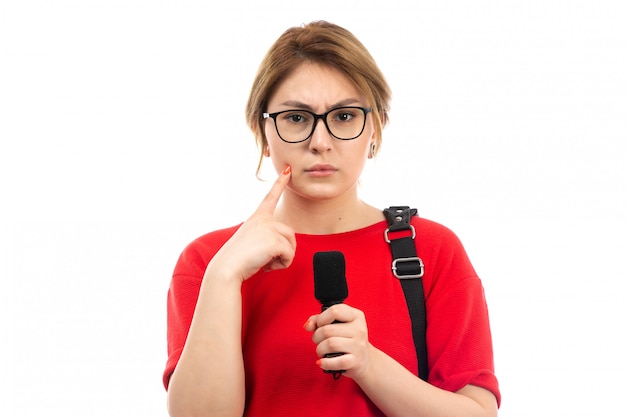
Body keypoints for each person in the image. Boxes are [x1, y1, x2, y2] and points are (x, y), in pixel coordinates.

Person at [163, 20, 501, 417]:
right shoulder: (210, 260)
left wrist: (369, 364)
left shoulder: (431, 250)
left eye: (343, 117)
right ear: (262, 133)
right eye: (295, 118)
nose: (319, 143)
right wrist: (223, 278)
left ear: (373, 128)